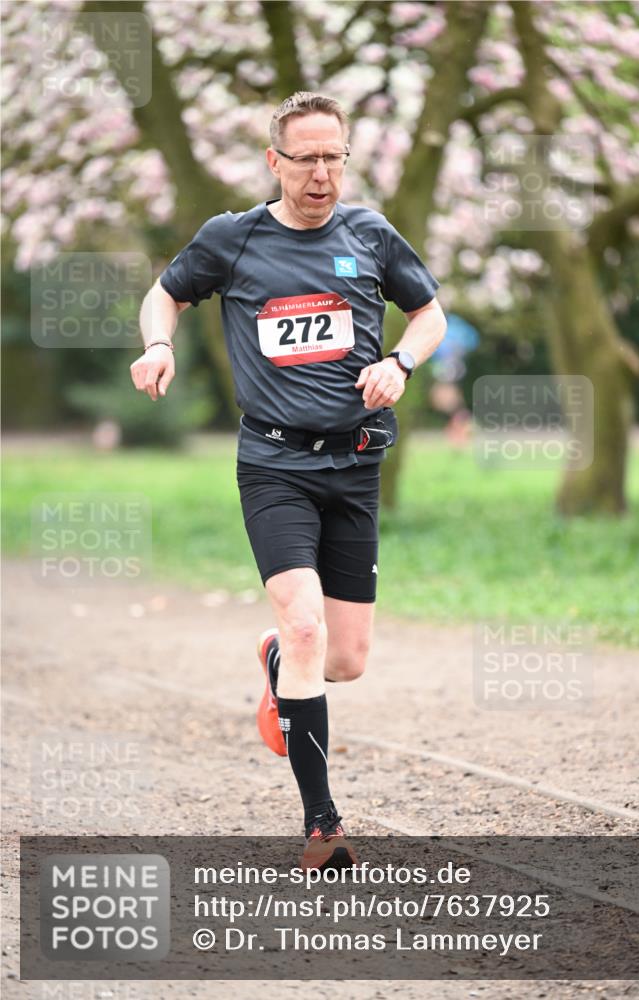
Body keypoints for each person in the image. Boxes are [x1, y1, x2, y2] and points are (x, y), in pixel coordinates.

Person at [131, 92, 446, 870]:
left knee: (344, 660)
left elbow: (430, 313)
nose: (320, 173)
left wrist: (399, 362)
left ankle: (278, 659)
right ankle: (322, 826)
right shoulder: (231, 240)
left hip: (356, 461)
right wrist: (158, 344)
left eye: (332, 157)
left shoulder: (369, 233)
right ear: (274, 163)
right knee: (307, 626)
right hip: (273, 463)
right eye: (304, 158)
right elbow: (165, 292)